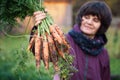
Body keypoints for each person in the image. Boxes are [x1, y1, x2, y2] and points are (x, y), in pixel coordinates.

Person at [32, 1, 112, 80]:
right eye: (87, 17)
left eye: (95, 20)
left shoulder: (103, 53)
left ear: (102, 25)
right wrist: (38, 28)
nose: (89, 22)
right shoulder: (65, 40)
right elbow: (44, 53)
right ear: (81, 18)